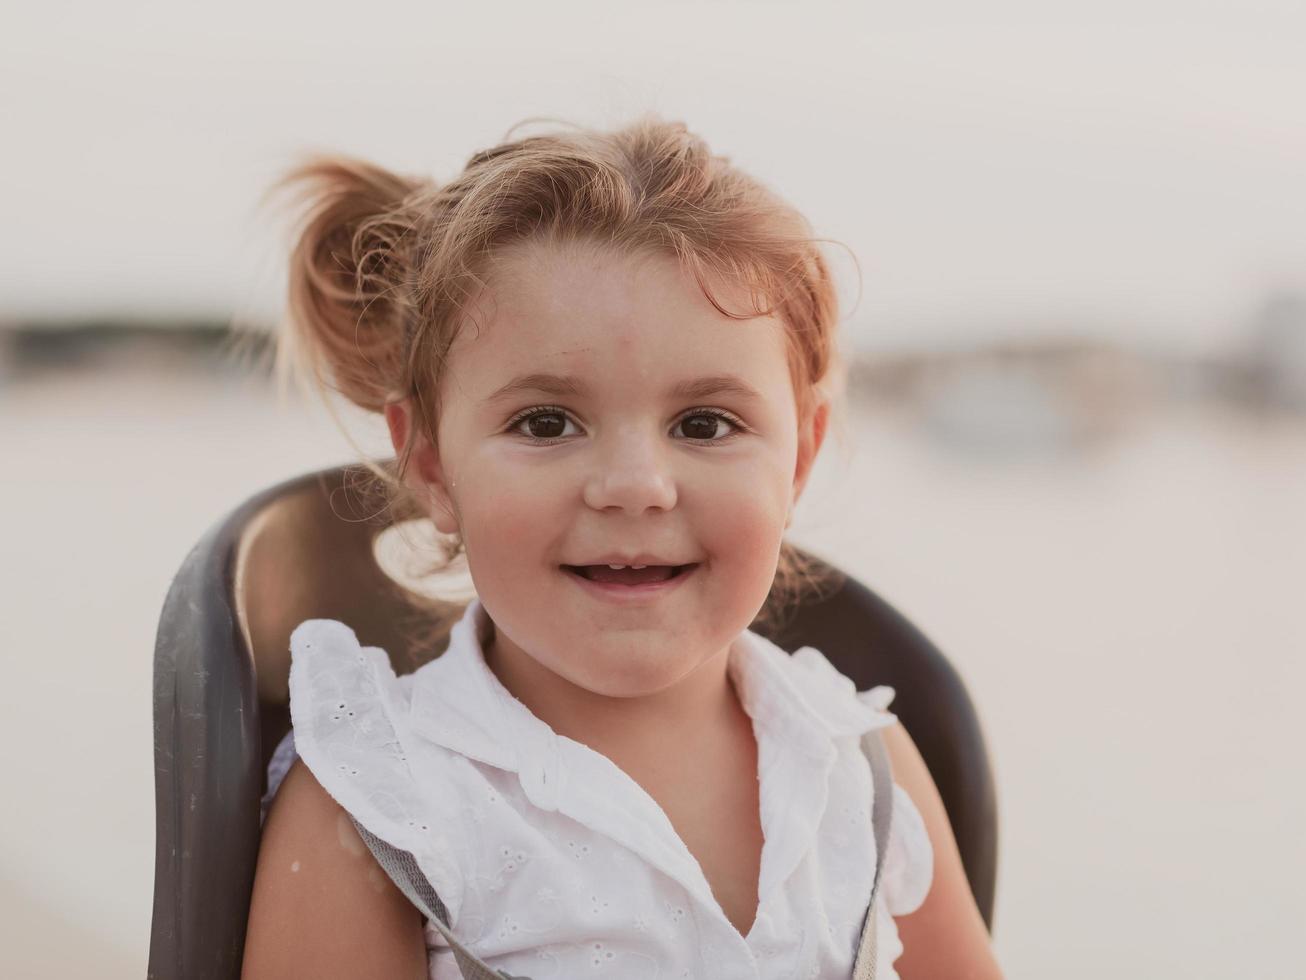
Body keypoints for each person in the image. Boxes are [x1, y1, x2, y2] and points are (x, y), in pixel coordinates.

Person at [241, 117, 1002, 980]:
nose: (636, 485)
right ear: (431, 465)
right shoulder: (380, 808)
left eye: (704, 424)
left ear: (798, 460)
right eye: (547, 422)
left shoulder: (861, 767)